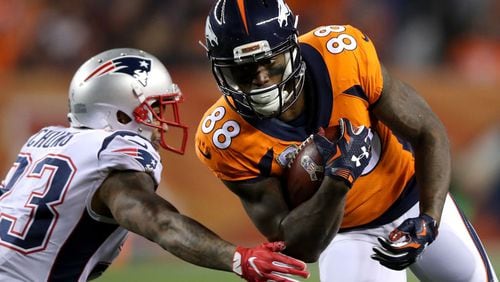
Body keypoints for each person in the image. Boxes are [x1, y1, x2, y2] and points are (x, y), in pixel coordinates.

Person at [195, 0, 498, 281]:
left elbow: (428, 131)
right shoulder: (224, 138)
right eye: (244, 70)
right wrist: (337, 181)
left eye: (270, 62)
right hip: (346, 235)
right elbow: (297, 246)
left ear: (292, 49)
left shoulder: (342, 55)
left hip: (410, 196)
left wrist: (429, 218)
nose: (261, 78)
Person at [0, 48, 310, 282]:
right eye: (155, 109)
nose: (161, 123)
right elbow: (159, 221)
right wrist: (238, 258)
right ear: (119, 114)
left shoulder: (44, 143)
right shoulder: (113, 152)